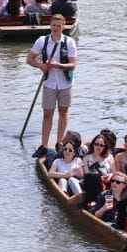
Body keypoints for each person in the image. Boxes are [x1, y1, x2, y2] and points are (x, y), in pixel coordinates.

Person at [27, 14, 78, 158]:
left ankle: (59, 143)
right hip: (49, 83)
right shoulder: (42, 41)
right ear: (50, 25)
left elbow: (73, 65)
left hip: (65, 84)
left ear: (63, 26)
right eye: (54, 25)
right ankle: (44, 146)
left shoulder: (69, 42)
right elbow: (29, 59)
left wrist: (58, 66)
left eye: (59, 26)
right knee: (47, 113)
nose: (56, 28)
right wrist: (41, 66)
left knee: (63, 112)